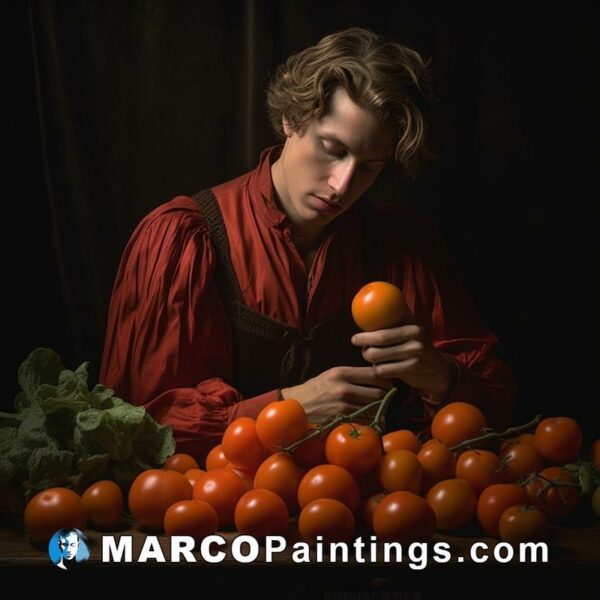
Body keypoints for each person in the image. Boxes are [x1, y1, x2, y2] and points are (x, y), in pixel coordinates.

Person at [99, 27, 517, 461]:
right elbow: (134, 427)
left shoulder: (405, 245)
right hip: (217, 517)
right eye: (331, 148)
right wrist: (285, 407)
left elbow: (496, 411)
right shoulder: (183, 238)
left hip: (362, 513)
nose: (342, 185)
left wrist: (440, 376)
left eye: (370, 167)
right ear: (291, 119)